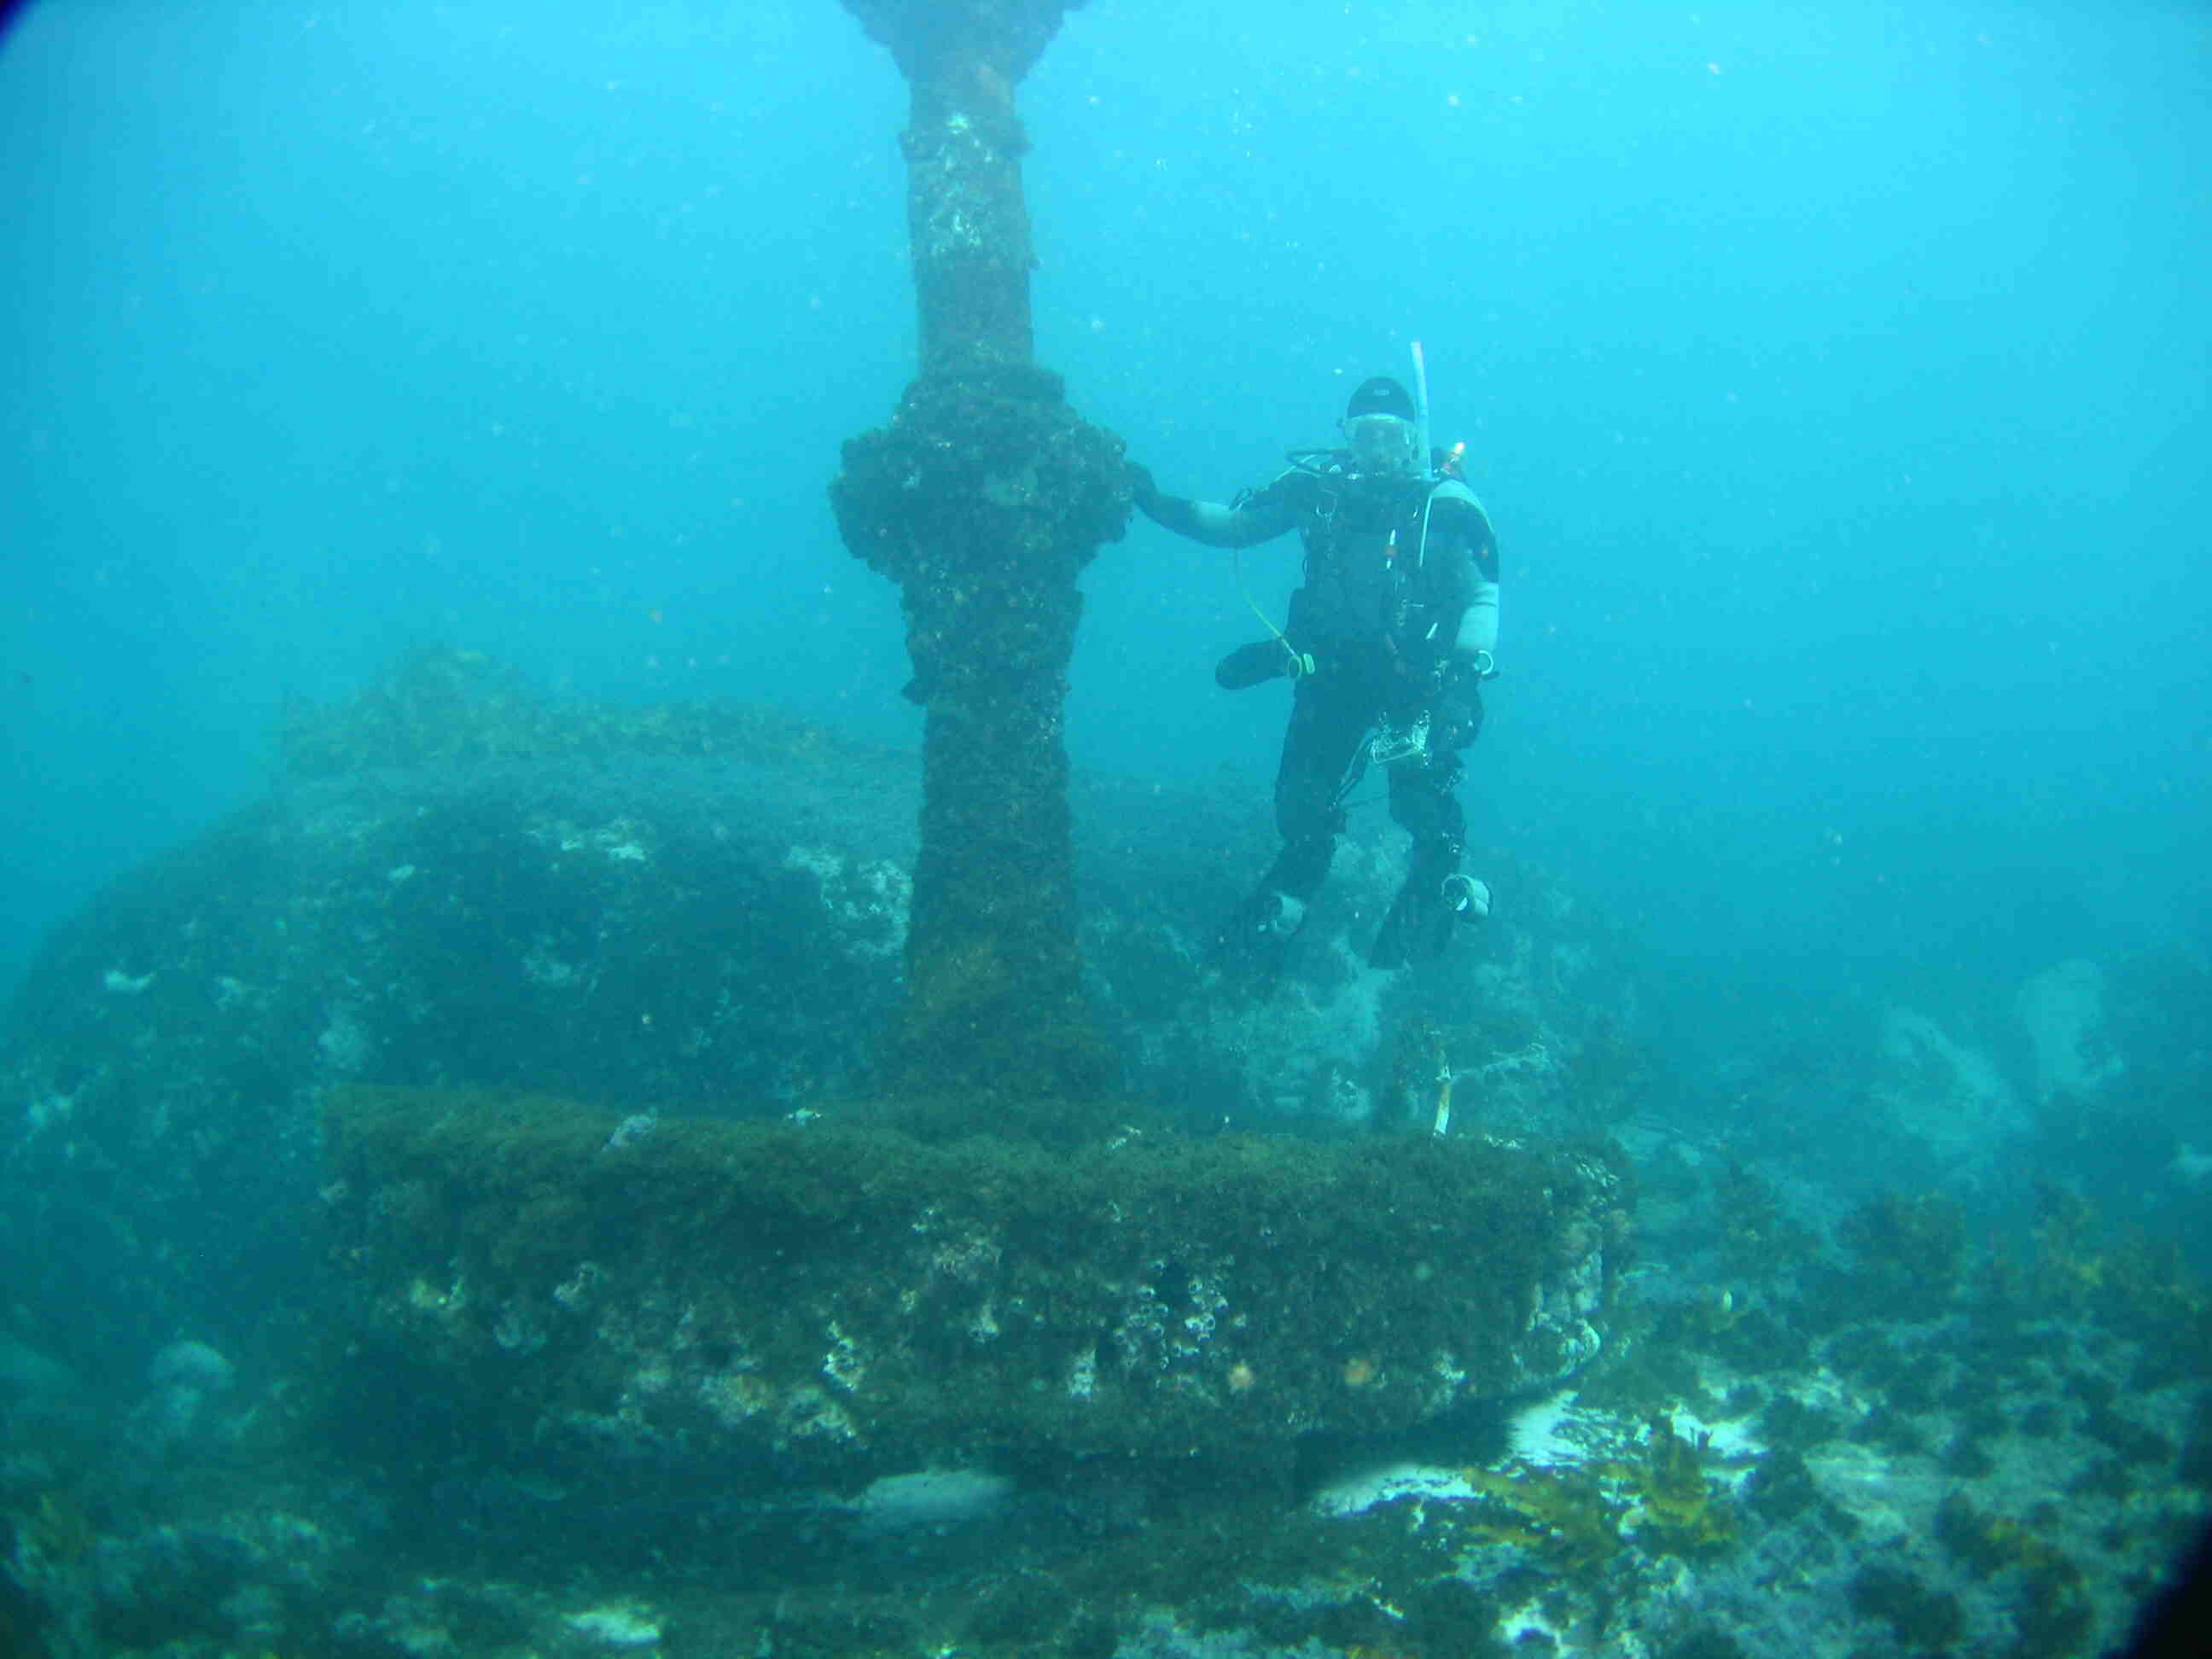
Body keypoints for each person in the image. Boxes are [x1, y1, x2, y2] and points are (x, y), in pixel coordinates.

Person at [1128, 374, 1501, 973]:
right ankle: (1289, 897)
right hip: (1331, 670)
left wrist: (1463, 679)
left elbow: (1482, 596)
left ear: (1414, 439)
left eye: (1391, 435)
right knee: (1301, 801)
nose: (1378, 448)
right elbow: (1235, 526)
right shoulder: (1317, 490)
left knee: (1419, 804)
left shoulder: (1447, 505)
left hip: (1418, 677)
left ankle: (1439, 882)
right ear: (1346, 437)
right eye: (1365, 434)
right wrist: (1157, 505)